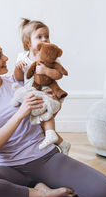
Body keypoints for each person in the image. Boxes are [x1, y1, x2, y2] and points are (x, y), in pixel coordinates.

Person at [0, 38, 106, 197]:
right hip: (10, 169)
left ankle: (39, 185)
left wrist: (51, 104)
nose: (6, 58)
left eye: (3, 54)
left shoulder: (17, 81)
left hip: (46, 159)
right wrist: (20, 113)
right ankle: (39, 193)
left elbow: (43, 116)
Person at [14, 18, 71, 154]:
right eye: (39, 37)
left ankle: (53, 137)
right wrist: (18, 68)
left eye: (47, 36)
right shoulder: (22, 57)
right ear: (29, 43)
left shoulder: (51, 58)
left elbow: (59, 74)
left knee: (45, 116)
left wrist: (46, 71)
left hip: (49, 93)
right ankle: (62, 143)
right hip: (31, 92)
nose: (45, 39)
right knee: (38, 125)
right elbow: (18, 79)